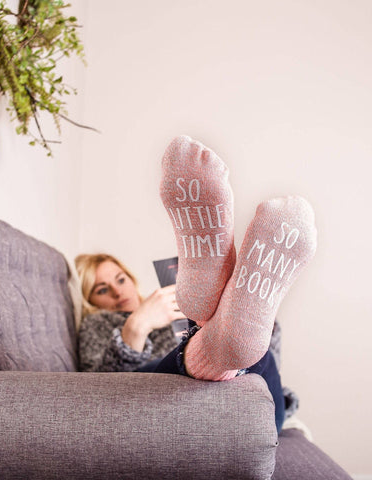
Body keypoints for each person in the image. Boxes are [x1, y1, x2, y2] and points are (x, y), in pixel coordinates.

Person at [75, 135, 317, 433]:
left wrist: (232, 310)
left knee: (243, 337)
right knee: (232, 336)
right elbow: (95, 393)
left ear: (131, 278)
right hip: (161, 401)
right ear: (89, 300)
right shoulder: (97, 325)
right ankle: (224, 335)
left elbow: (271, 357)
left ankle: (222, 321)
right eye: (101, 289)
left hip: (248, 399)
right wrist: (135, 327)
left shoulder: (167, 299)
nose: (116, 290)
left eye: (120, 279)